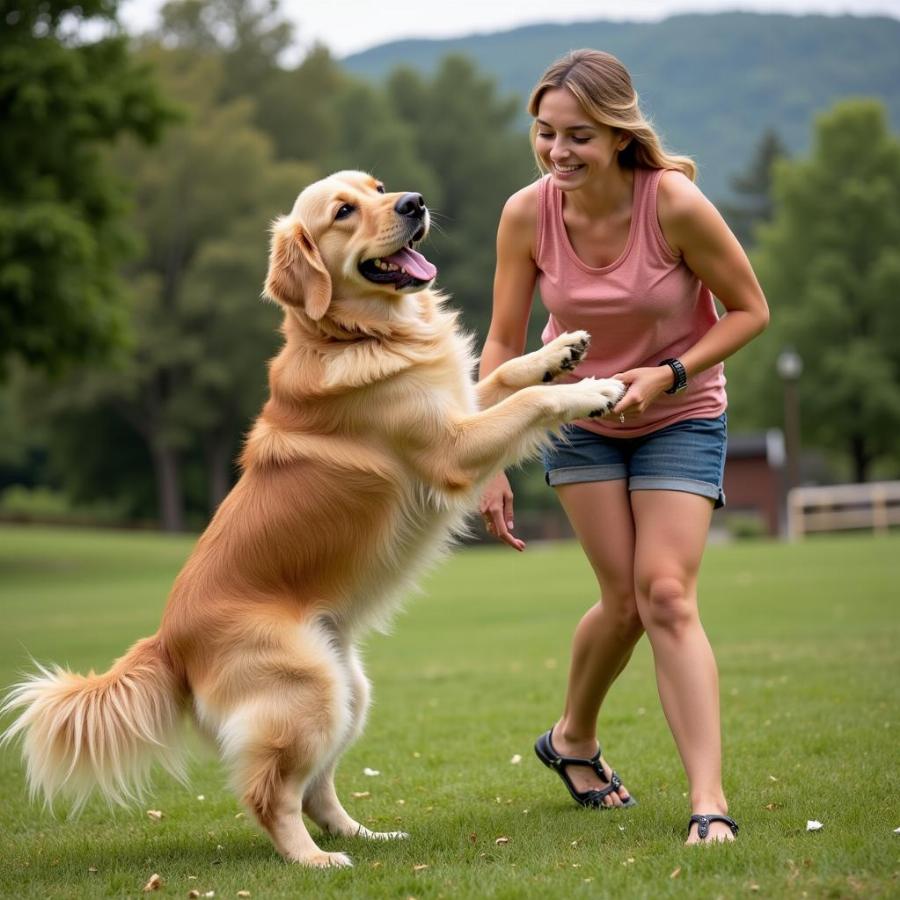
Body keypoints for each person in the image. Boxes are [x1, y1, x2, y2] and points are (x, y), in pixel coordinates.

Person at [478, 49, 769, 844]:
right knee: (625, 602)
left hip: (681, 413)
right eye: (545, 134)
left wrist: (669, 372)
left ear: (615, 134)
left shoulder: (672, 202)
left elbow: (749, 310)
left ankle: (708, 803)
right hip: (579, 421)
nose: (559, 153)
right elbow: (504, 340)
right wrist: (487, 458)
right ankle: (573, 738)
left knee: (665, 593)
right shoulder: (525, 214)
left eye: (578, 136)